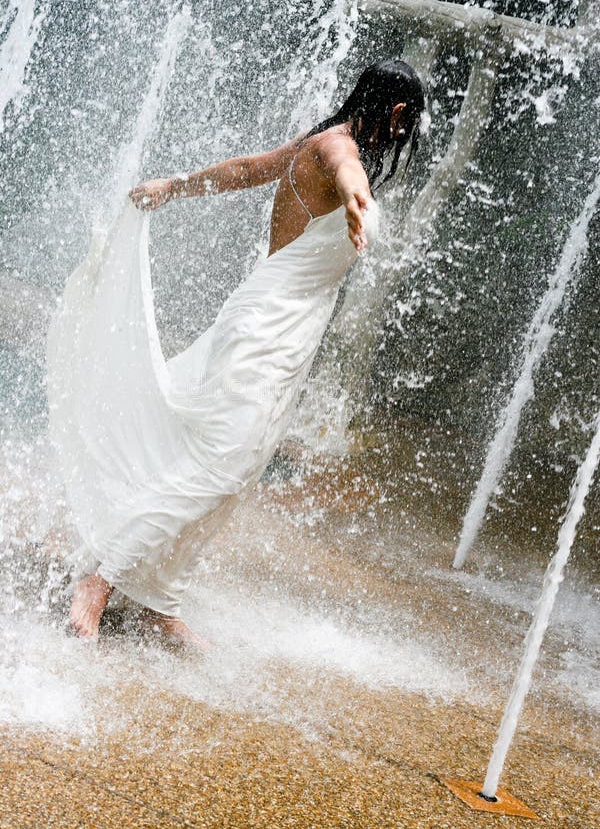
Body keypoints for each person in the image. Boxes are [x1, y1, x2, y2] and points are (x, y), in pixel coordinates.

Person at [50, 58, 425, 648]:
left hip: (289, 330)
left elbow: (250, 169)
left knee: (238, 467)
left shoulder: (317, 142)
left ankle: (156, 596)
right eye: (408, 124)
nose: (405, 138)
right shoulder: (338, 150)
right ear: (398, 112)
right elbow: (351, 176)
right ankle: (100, 578)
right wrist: (357, 205)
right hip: (266, 325)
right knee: (220, 464)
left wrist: (174, 186)